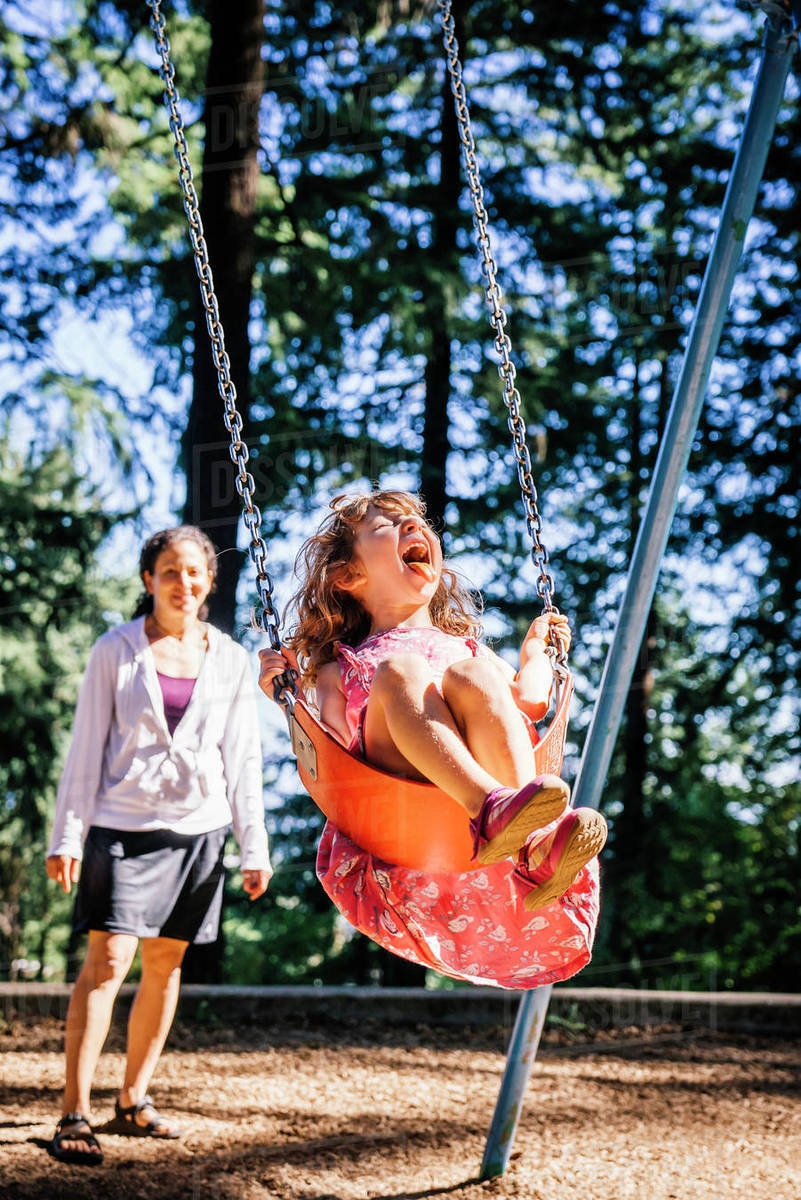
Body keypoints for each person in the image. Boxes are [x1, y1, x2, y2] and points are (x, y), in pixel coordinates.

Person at [258, 490, 606, 990]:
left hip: (484, 809)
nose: (413, 528)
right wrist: (285, 696)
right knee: (401, 671)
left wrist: (536, 652)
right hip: (396, 801)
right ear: (348, 576)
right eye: (389, 525)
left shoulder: (469, 650)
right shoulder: (340, 668)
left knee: (473, 676)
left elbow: (529, 704)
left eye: (416, 522)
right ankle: (490, 809)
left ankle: (529, 840)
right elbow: (329, 752)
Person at [46, 525, 272, 1166]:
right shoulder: (114, 651)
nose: (184, 583)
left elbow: (244, 759)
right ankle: (73, 1111)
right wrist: (69, 835)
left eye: (195, 572)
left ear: (209, 582)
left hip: (198, 832)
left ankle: (132, 1100)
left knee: (165, 967)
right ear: (149, 580)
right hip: (120, 827)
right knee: (108, 964)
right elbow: (85, 749)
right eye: (170, 571)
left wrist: (252, 846)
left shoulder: (229, 656)